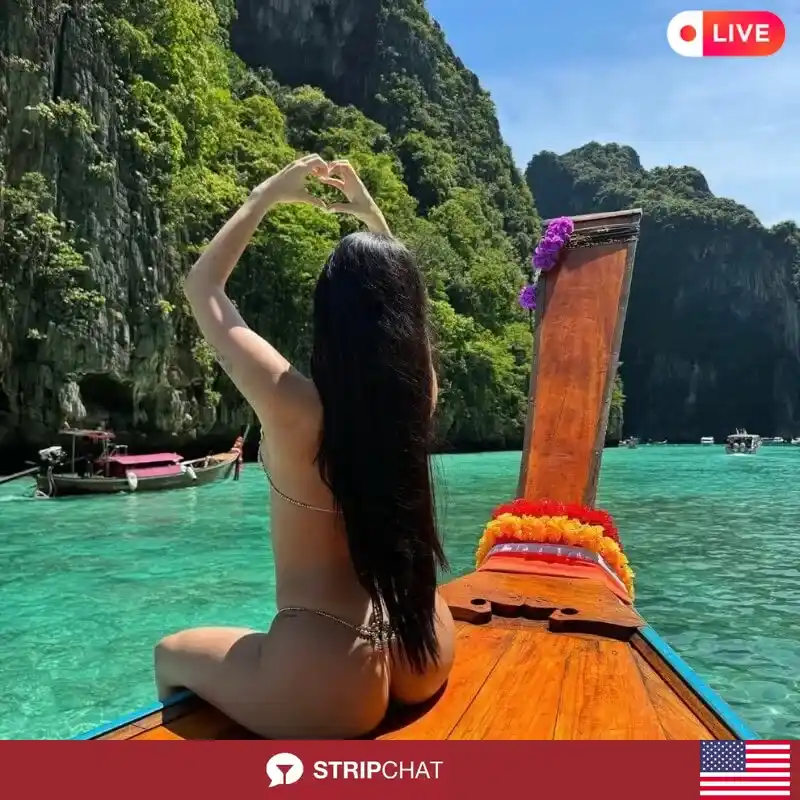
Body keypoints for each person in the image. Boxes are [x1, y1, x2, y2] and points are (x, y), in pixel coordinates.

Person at [154, 155, 456, 738]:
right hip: (421, 637)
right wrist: (371, 218)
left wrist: (265, 195)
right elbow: (408, 319)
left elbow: (203, 288)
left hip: (328, 670)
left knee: (169, 654)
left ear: (327, 320)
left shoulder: (291, 405)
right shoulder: (415, 398)